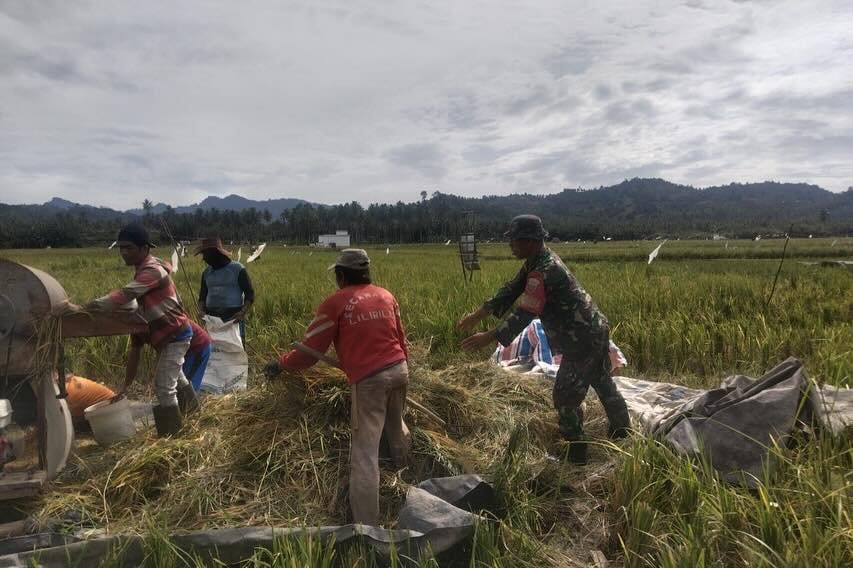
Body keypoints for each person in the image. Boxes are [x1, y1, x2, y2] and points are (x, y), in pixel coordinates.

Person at [457, 215, 630, 464]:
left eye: (514, 240)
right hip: (593, 331)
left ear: (529, 241)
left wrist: (490, 336)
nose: (511, 245)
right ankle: (622, 431)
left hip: (581, 339)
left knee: (564, 398)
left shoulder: (544, 270)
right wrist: (477, 315)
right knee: (601, 380)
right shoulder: (536, 261)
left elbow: (526, 312)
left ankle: (577, 454)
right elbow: (511, 288)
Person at [264, 249, 410, 526]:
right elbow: (401, 339)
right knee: (396, 427)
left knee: (364, 454)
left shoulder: (335, 303)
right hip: (400, 369)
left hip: (370, 381)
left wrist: (281, 364)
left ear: (341, 275)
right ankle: (409, 482)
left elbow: (308, 353)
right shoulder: (386, 295)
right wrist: (402, 371)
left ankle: (367, 529)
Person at [84, 223, 200, 437]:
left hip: (176, 335)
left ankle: (174, 439)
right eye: (121, 248)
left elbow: (126, 295)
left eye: (129, 248)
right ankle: (196, 416)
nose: (123, 253)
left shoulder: (152, 271)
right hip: (171, 336)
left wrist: (87, 308)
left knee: (164, 387)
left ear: (144, 248)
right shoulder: (145, 268)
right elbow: (134, 305)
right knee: (178, 378)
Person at [125, 320, 212, 401]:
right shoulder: (135, 328)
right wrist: (125, 387)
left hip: (197, 346)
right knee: (175, 387)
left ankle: (192, 414)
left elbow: (164, 353)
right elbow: (134, 357)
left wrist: (156, 378)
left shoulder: (156, 320)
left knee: (186, 388)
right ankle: (182, 412)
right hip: (178, 351)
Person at [195, 238, 255, 343]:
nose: (204, 258)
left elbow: (250, 294)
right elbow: (202, 296)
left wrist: (242, 312)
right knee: (216, 352)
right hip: (212, 319)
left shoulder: (238, 269)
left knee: (236, 349)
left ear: (216, 253)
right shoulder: (206, 273)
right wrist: (201, 311)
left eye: (206, 254)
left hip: (233, 318)